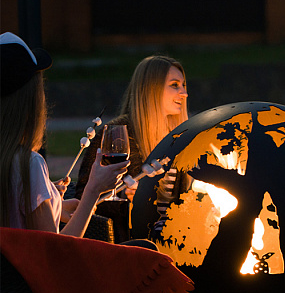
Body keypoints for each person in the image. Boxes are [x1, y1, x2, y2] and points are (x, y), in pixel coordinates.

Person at [0, 32, 129, 237]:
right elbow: (55, 252)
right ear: (30, 101)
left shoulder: (13, 165)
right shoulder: (27, 165)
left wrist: (53, 202)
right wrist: (92, 191)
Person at [75, 55, 189, 243]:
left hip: (171, 239)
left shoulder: (177, 137)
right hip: (127, 243)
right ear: (151, 88)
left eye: (183, 85)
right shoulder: (118, 133)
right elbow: (82, 198)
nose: (184, 93)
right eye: (175, 85)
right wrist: (122, 198)